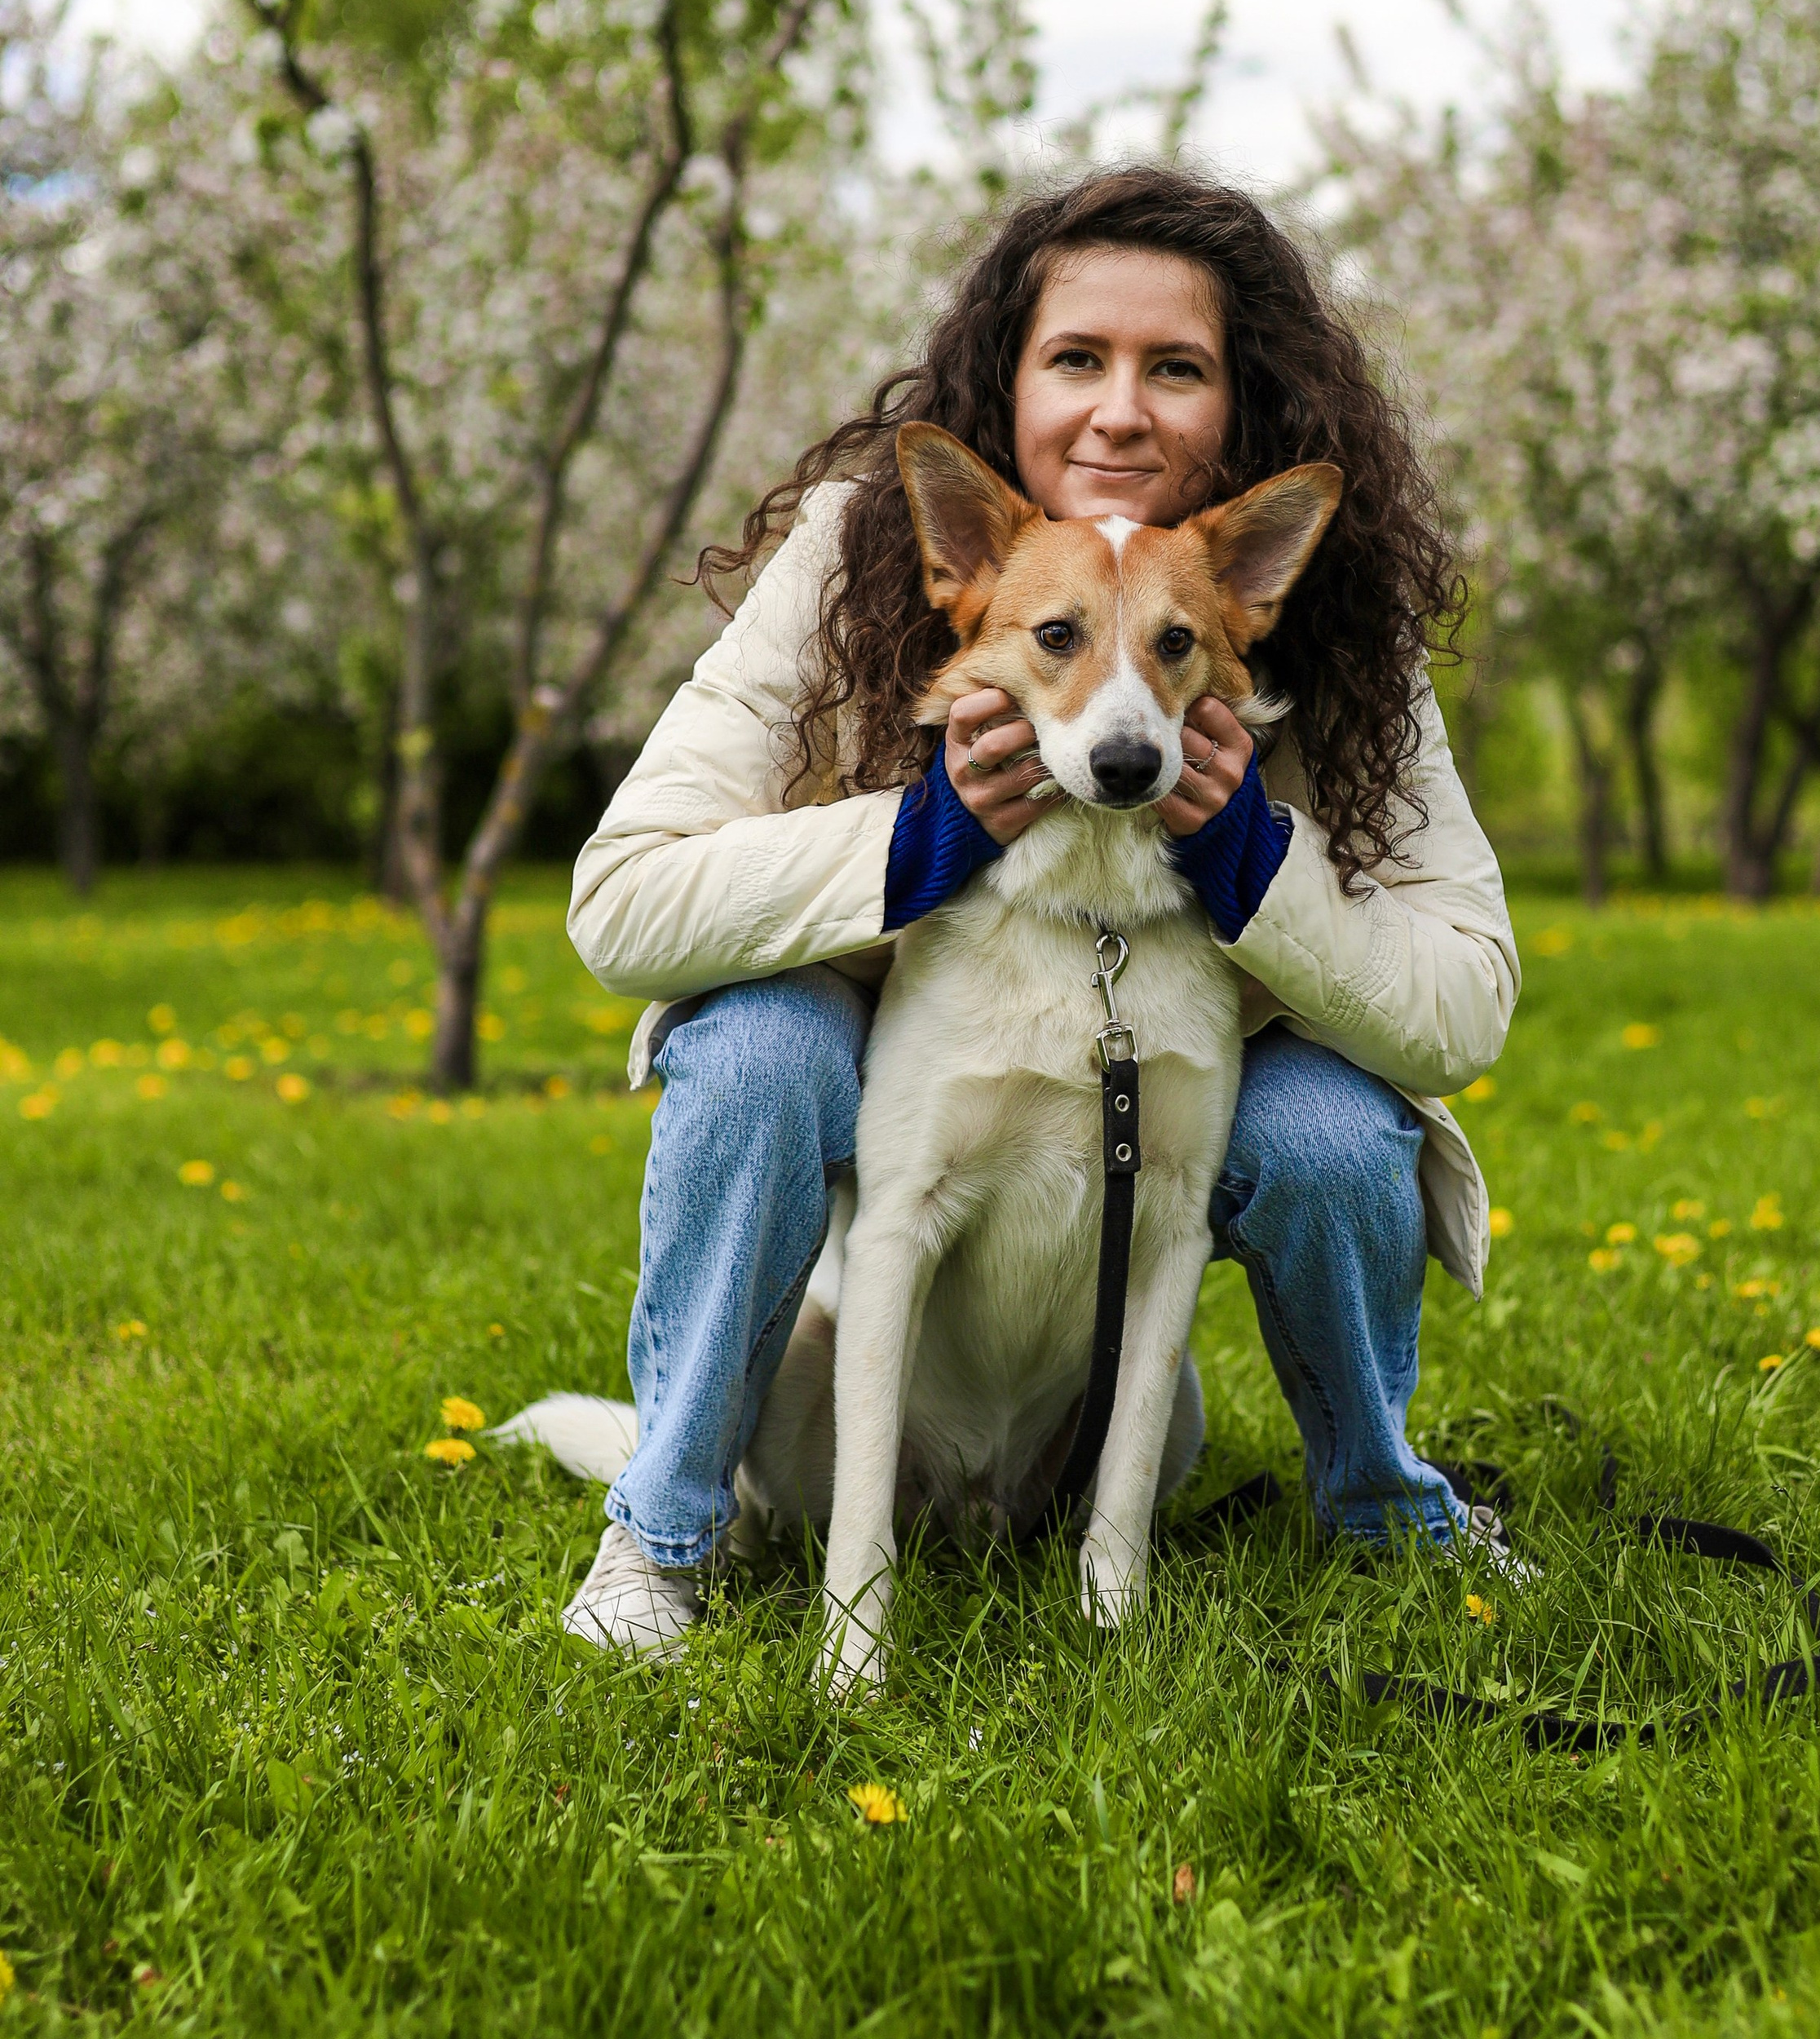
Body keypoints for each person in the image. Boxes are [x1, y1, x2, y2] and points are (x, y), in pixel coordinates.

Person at [562, 166, 1519, 1652]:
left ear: (1243, 405)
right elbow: (621, 906)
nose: (1120, 412)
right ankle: (663, 1534)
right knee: (756, 1048)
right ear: (1007, 386)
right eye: (1077, 358)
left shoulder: (1322, 618)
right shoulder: (851, 552)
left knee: (1332, 1130)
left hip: (1148, 1137)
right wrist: (924, 839)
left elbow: (1464, 1004)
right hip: (901, 1128)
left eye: (1176, 369)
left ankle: (1387, 1511)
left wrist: (1254, 867)